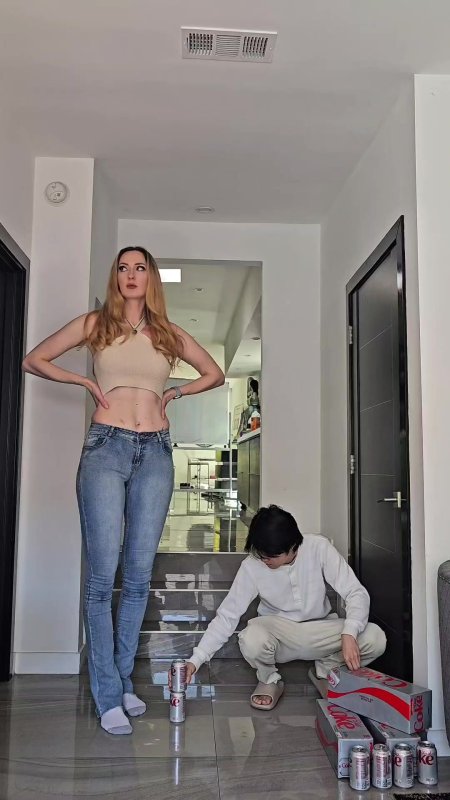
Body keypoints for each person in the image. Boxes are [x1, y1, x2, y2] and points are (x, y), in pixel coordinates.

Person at [22, 246, 224, 735]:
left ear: (151, 278)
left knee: (137, 578)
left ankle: (122, 682)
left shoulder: (168, 333)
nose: (131, 275)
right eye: (123, 268)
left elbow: (214, 373)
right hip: (105, 449)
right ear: (116, 277)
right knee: (101, 579)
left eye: (140, 268)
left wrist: (175, 391)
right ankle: (108, 694)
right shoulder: (96, 324)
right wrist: (83, 381)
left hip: (155, 452)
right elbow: (34, 359)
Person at [173, 505, 386, 709]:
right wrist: (196, 659)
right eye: (260, 554)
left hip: (320, 629)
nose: (264, 560)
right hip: (279, 633)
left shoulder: (318, 547)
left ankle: (326, 670)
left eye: (271, 556)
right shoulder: (252, 565)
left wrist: (349, 632)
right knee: (251, 638)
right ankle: (269, 680)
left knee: (374, 638)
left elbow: (355, 592)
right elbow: (227, 616)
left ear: (293, 547)